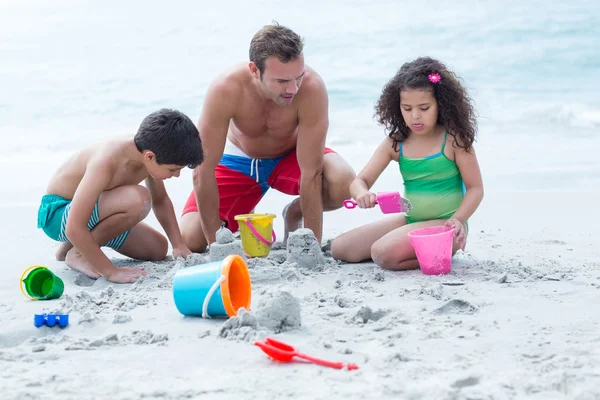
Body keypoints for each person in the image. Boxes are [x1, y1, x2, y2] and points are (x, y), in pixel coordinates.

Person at [179, 23, 355, 252]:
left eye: (298, 77)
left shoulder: (312, 88)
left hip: (289, 158)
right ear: (254, 70)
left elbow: (311, 172)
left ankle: (293, 212)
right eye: (282, 81)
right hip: (238, 162)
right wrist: (216, 246)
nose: (293, 89)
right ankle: (243, 214)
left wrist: (310, 247)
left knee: (344, 183)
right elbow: (202, 170)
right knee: (192, 239)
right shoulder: (226, 88)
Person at [331, 57, 484, 270]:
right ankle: (412, 249)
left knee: (381, 253)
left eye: (424, 107)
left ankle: (438, 252)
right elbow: (360, 180)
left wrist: (459, 219)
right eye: (407, 108)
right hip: (412, 220)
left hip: (448, 225)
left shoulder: (454, 140)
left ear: (441, 104)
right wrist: (361, 193)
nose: (415, 116)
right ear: (397, 107)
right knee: (340, 249)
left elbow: (476, 188)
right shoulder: (396, 142)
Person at [37, 108, 204, 283]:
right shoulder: (107, 161)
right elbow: (73, 226)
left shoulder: (147, 153)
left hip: (86, 215)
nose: (176, 175)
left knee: (157, 249)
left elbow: (161, 201)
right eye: (173, 169)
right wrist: (110, 271)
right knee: (138, 199)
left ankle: (72, 248)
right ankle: (78, 254)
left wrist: (178, 244)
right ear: (150, 157)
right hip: (58, 214)